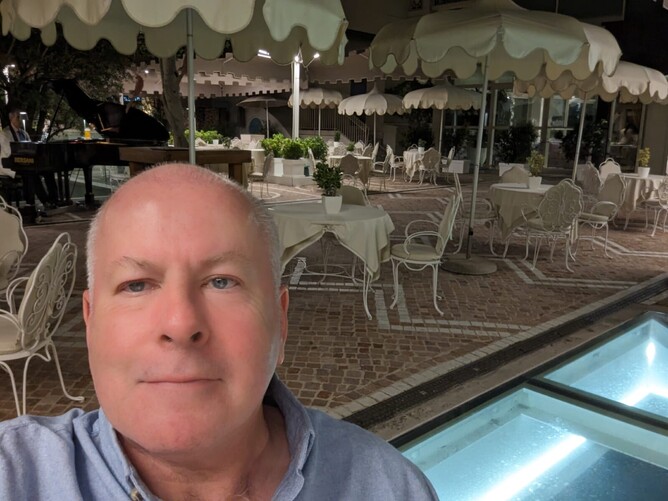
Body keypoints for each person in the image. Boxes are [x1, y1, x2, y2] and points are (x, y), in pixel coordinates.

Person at [0, 163, 438, 500]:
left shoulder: (388, 487)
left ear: (280, 321)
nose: (180, 323)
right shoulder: (16, 476)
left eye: (222, 282)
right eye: (136, 285)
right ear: (91, 323)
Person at [2, 104, 59, 208]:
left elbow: (31, 149)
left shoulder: (24, 133)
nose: (21, 120)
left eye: (21, 117)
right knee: (31, 174)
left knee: (48, 171)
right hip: (10, 166)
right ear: (11, 117)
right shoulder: (4, 134)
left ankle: (54, 199)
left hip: (25, 163)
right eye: (18, 117)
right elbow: (8, 153)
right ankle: (41, 202)